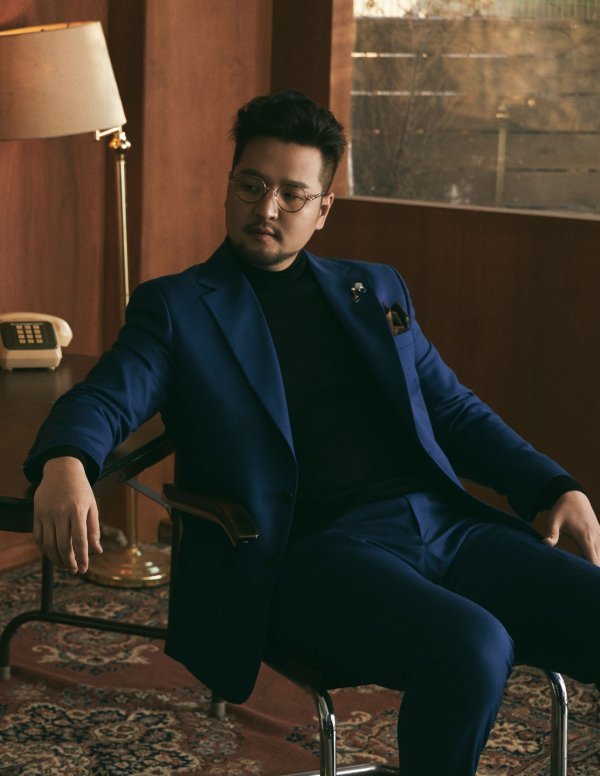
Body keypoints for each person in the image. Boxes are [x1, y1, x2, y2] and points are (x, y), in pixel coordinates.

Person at [25, 90, 600, 775]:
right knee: (473, 646)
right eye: (252, 185)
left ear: (323, 209)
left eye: (292, 195)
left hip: (443, 524)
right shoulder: (178, 308)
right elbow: (105, 398)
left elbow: (452, 409)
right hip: (314, 552)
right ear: (229, 186)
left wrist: (552, 485)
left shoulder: (374, 291)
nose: (267, 208)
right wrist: (66, 460)